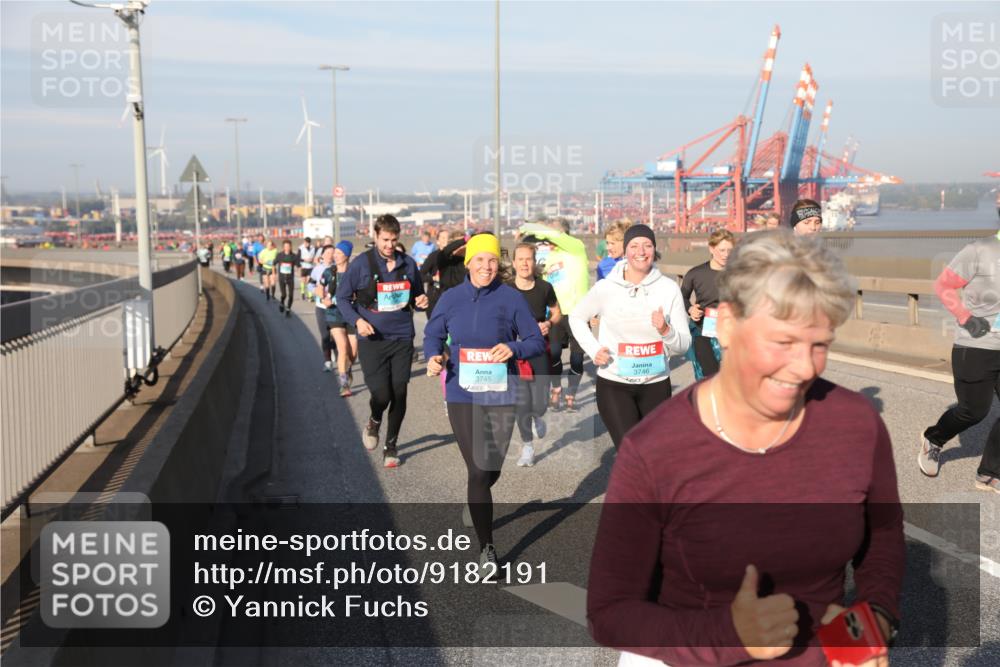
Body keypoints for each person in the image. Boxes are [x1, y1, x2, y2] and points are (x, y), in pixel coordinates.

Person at [587, 230, 904, 666]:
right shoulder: (655, 449)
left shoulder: (856, 424)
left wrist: (871, 622)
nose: (803, 368)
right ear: (730, 325)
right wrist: (730, 636)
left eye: (819, 345)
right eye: (782, 342)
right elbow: (610, 614)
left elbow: (883, 534)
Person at [424, 233, 545, 570]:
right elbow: (433, 335)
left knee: (491, 467)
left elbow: (535, 340)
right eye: (480, 260)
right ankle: (487, 548)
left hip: (502, 390)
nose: (486, 266)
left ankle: (476, 496)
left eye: (492, 260)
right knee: (478, 469)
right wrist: (434, 357)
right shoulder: (451, 299)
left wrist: (515, 348)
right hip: (462, 391)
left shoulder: (510, 298)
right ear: (468, 263)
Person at [569, 224, 691, 449]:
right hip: (615, 384)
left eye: (647, 245)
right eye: (634, 246)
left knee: (655, 452)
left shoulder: (668, 288)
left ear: (655, 250)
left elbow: (684, 345)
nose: (641, 251)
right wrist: (594, 350)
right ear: (625, 251)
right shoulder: (606, 287)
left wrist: (666, 330)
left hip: (656, 384)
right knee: (630, 450)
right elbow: (576, 317)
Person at [336, 214, 429, 468]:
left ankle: (391, 445)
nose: (389, 245)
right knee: (381, 393)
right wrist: (358, 322)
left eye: (394, 240)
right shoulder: (361, 265)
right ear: (375, 236)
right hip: (372, 339)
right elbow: (342, 298)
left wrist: (422, 301)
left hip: (401, 336)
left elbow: (417, 297)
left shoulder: (408, 265)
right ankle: (374, 420)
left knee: (400, 392)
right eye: (385, 239)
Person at [918, 232, 1000, 493]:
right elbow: (943, 285)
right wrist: (966, 318)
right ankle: (934, 438)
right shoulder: (979, 250)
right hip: (976, 346)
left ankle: (989, 471)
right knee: (974, 411)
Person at [519, 220, 589, 411]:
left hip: (578, 314)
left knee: (576, 359)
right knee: (555, 355)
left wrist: (529, 227)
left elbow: (554, 235)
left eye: (551, 232)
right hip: (556, 315)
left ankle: (571, 395)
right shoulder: (547, 258)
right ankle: (556, 389)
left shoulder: (576, 248)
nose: (546, 235)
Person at [508, 242, 561, 467]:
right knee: (521, 402)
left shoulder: (545, 288)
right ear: (513, 263)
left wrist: (548, 323)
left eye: (528, 259)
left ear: (534, 261)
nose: (524, 263)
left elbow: (558, 312)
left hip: (539, 348)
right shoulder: (506, 289)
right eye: (520, 259)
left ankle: (538, 416)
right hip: (514, 351)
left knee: (539, 402)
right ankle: (527, 447)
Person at [681, 229, 735, 379]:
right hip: (702, 330)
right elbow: (682, 297)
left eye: (729, 250)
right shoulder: (695, 273)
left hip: (731, 331)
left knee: (731, 378)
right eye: (721, 250)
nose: (726, 255)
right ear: (711, 249)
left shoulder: (738, 273)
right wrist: (690, 309)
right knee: (708, 377)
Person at [319, 240, 359, 397]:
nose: (335, 256)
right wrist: (323, 299)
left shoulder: (355, 272)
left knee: (353, 352)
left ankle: (347, 369)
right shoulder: (329, 272)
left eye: (339, 254)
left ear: (347, 256)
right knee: (342, 348)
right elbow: (319, 288)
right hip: (334, 313)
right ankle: (344, 384)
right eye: (335, 253)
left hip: (352, 314)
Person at [310, 246, 336, 372]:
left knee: (336, 335)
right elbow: (310, 284)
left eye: (332, 252)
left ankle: (339, 357)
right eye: (328, 252)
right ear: (322, 255)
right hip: (321, 306)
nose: (330, 255)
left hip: (335, 307)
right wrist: (316, 291)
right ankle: (327, 361)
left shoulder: (338, 268)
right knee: (325, 335)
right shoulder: (317, 269)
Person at [274, 239, 300, 317]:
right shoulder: (279, 255)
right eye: (285, 246)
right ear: (283, 247)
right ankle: (282, 303)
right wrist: (273, 274)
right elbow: (273, 263)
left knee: (291, 295)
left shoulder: (294, 256)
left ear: (290, 247)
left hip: (290, 278)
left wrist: (298, 271)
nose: (287, 248)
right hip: (281, 278)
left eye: (288, 246)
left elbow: (298, 265)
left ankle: (288, 309)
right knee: (284, 294)